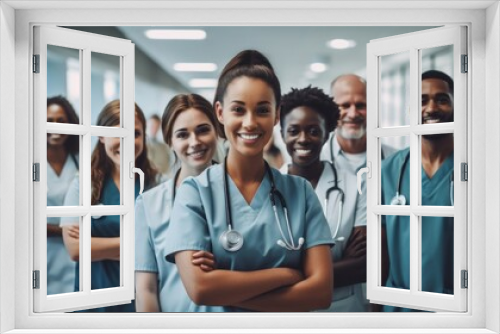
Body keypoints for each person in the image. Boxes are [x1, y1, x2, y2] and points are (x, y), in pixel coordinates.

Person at [164, 50, 334, 312]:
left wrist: (225, 290)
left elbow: (321, 292)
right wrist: (288, 275)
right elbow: (200, 288)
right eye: (238, 110)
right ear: (220, 113)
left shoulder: (300, 193)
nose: (250, 122)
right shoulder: (195, 193)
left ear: (276, 115)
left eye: (262, 110)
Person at [61, 100, 157, 312]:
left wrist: (97, 246)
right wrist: (138, 245)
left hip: (142, 298)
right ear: (101, 137)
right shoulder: (83, 184)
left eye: (136, 133)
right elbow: (75, 250)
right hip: (94, 299)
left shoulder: (156, 183)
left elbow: (162, 246)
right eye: (118, 133)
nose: (128, 141)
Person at [279, 86, 368, 312]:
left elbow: (363, 265)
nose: (303, 139)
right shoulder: (265, 188)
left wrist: (284, 276)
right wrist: (334, 266)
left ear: (327, 133)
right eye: (293, 131)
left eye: (313, 131)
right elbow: (257, 264)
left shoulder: (357, 185)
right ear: (282, 134)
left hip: (341, 312)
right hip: (286, 313)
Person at [135, 94, 224, 312]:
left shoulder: (242, 194)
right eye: (183, 134)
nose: (195, 142)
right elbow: (146, 289)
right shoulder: (149, 204)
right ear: (170, 141)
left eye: (203, 130)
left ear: (217, 131)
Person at [381, 70, 455, 312]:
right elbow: (380, 250)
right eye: (422, 101)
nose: (431, 108)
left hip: (456, 308)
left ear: (457, 106)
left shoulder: (475, 166)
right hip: (399, 307)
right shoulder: (390, 169)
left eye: (441, 99)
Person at [320, 74, 393, 311]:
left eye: (361, 105)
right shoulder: (312, 162)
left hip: (389, 287)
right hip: (333, 297)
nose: (353, 113)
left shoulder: (395, 160)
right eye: (344, 105)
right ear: (332, 110)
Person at [46, 96, 79, 295]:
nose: (56, 127)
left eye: (61, 121)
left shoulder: (81, 161)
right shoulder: (28, 162)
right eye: (49, 120)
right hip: (41, 253)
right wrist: (64, 231)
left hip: (74, 254)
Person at [147, 114, 173, 179]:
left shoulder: (164, 147)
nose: (153, 129)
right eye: (152, 126)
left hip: (162, 179)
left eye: (156, 126)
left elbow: (168, 163)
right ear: (147, 125)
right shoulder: (141, 146)